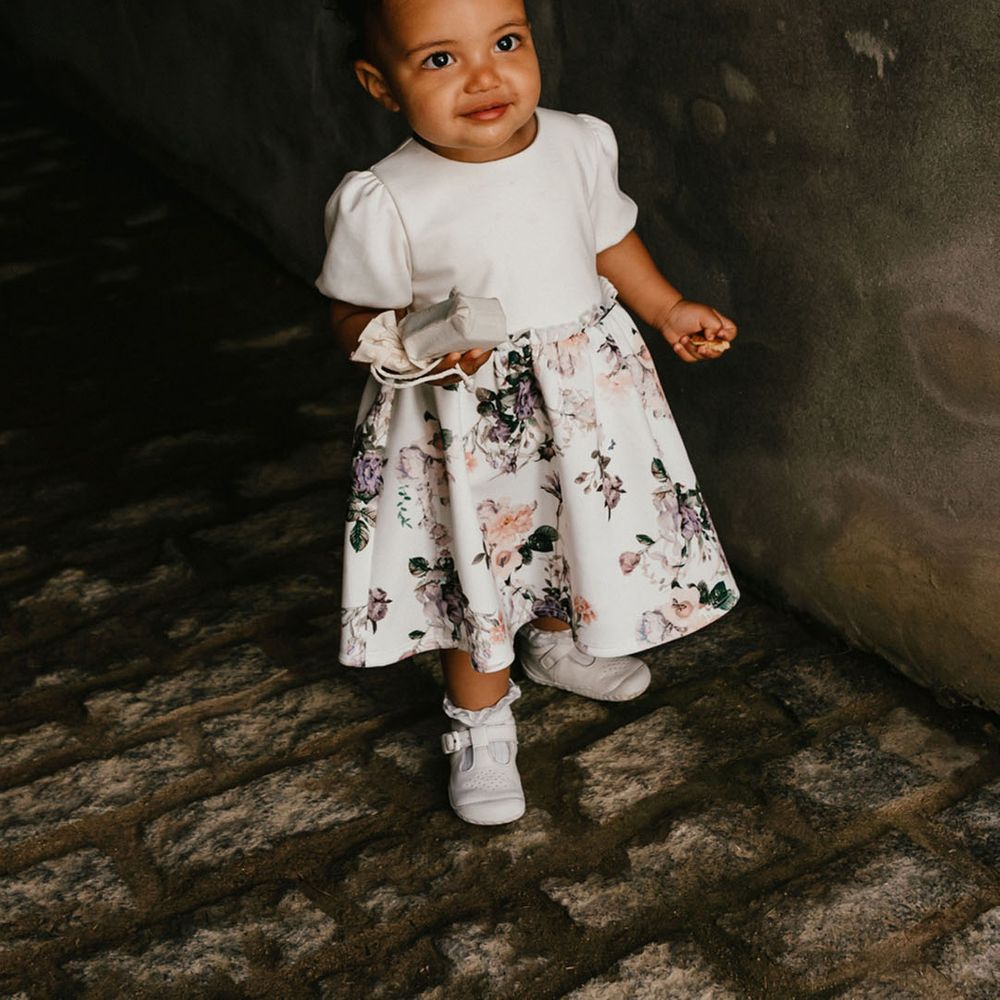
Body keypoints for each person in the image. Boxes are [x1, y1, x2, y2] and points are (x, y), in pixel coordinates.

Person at [317, 0, 740, 826]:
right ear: (381, 84)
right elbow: (348, 316)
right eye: (440, 60)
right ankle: (479, 720)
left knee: (568, 518)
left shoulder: (580, 142)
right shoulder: (386, 197)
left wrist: (667, 308)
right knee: (478, 554)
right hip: (463, 418)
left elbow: (605, 238)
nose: (485, 76)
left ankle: (551, 640)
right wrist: (410, 341)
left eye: (506, 42)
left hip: (580, 397)